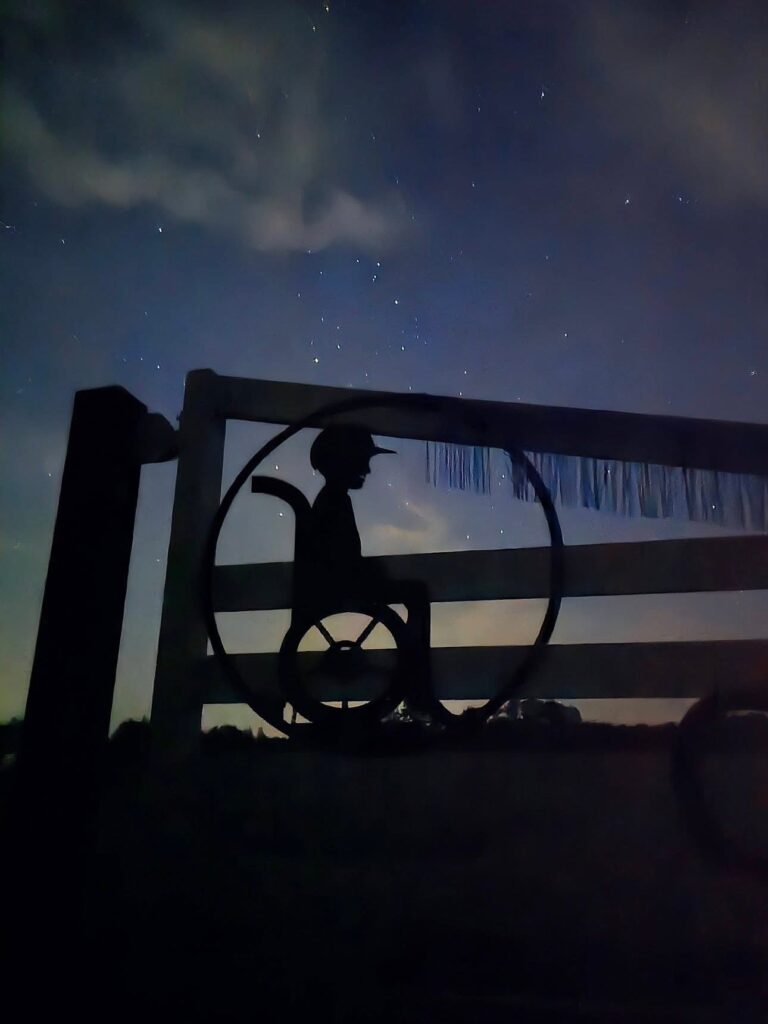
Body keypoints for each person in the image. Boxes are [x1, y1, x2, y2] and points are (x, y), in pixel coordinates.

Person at [294, 424, 432, 702]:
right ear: (342, 462)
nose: (367, 471)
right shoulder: (334, 502)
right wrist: (370, 572)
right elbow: (340, 562)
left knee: (414, 593)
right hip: (340, 588)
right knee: (416, 594)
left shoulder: (332, 500)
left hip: (336, 584)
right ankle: (417, 681)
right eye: (361, 462)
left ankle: (414, 676)